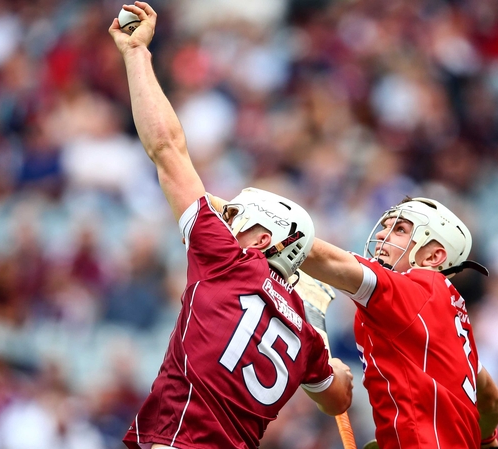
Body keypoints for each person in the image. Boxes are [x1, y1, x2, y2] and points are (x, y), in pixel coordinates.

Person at [108, 4, 353, 449]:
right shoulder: (306, 334)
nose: (224, 219)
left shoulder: (229, 259)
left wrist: (137, 54)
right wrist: (334, 367)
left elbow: (167, 149)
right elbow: (337, 400)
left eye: (237, 217)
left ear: (264, 240)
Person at [302, 197, 498, 449]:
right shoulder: (452, 320)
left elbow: (314, 254)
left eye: (399, 230)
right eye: (385, 226)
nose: (382, 235)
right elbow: (493, 403)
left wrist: (266, 233)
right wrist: (485, 442)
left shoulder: (416, 289)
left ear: (433, 256)